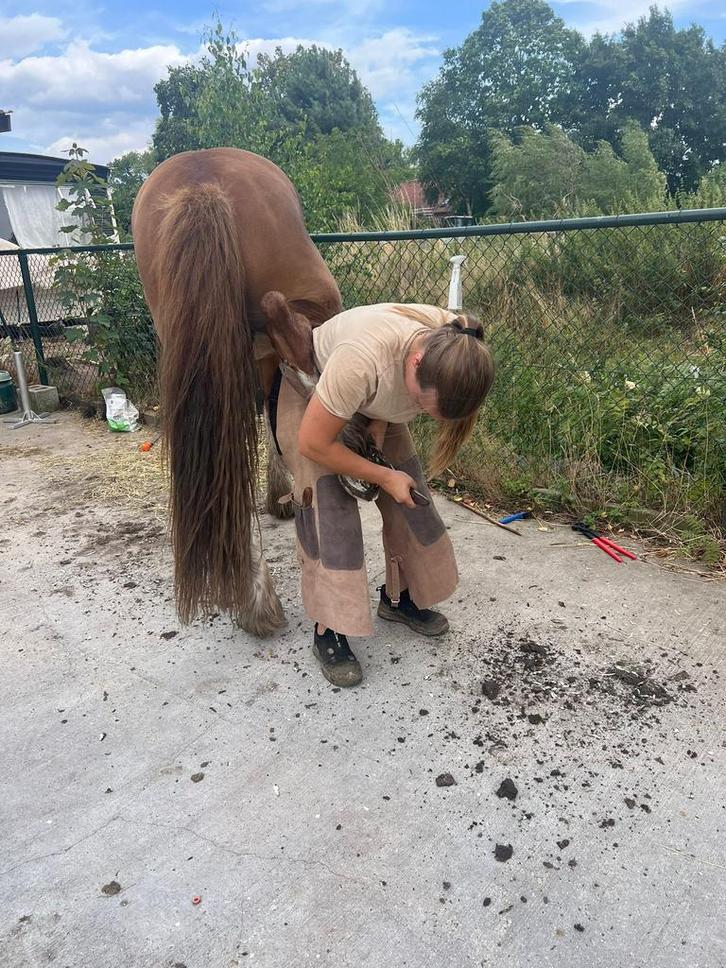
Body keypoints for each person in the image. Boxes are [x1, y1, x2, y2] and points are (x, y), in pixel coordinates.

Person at [272, 303, 495, 687]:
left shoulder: (457, 343)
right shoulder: (363, 360)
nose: (424, 415)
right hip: (311, 389)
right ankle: (328, 629)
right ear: (416, 361)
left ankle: (398, 599)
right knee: (331, 509)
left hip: (368, 396)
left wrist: (376, 433)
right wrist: (380, 475)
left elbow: (390, 397)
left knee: (412, 499)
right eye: (423, 407)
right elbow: (314, 442)